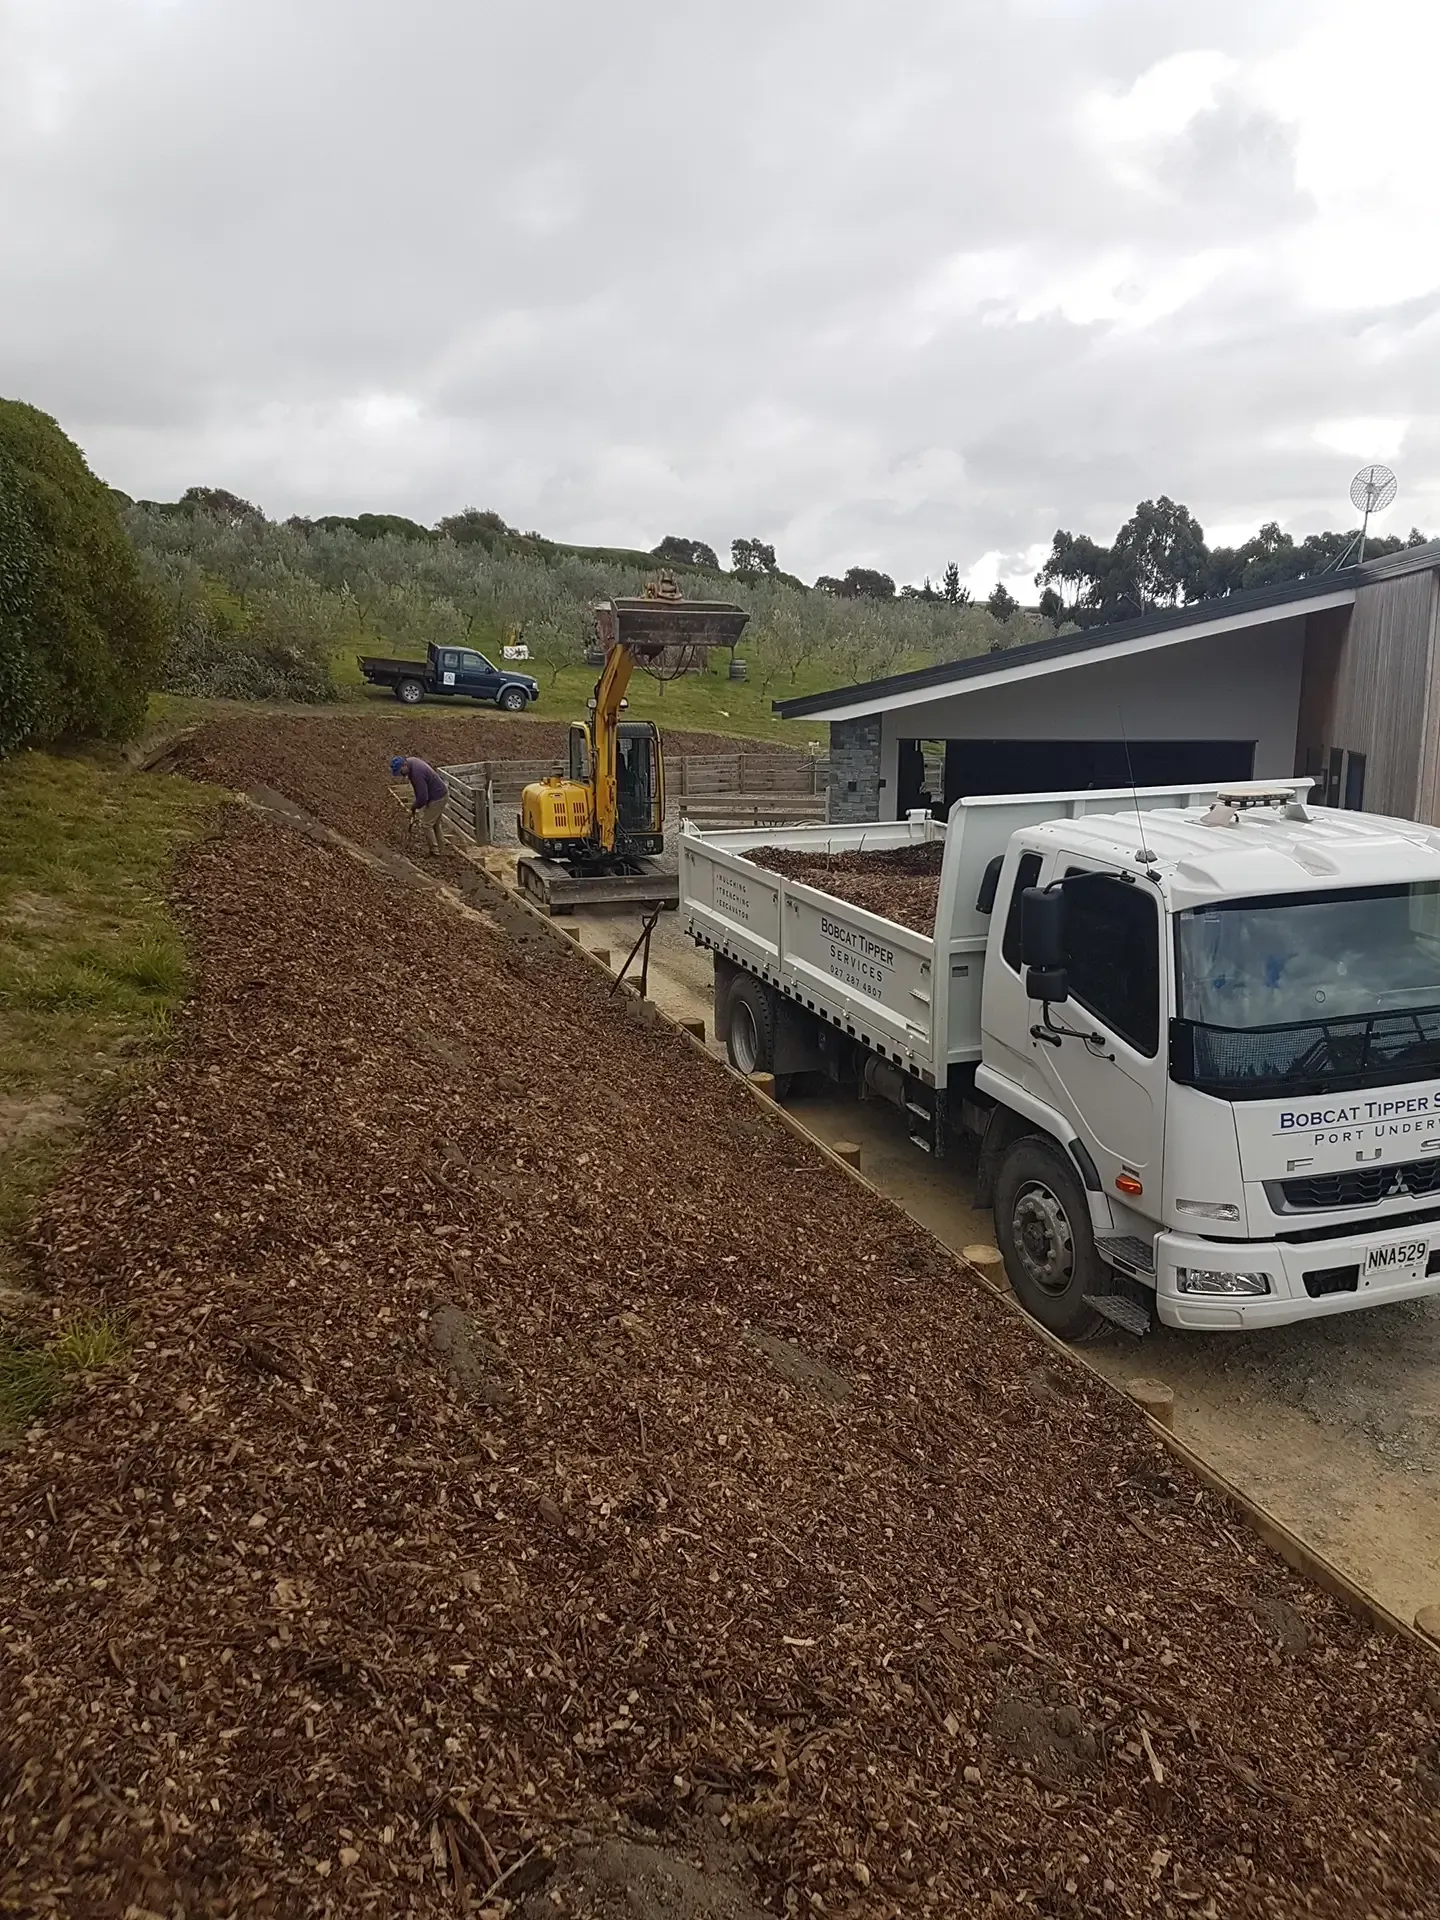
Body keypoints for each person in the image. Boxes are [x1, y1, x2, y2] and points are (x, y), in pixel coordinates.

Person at [391, 754, 448, 856]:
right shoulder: (411, 763)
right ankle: (441, 849)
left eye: (400, 772)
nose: (401, 775)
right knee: (434, 824)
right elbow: (419, 791)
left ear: (404, 765)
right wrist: (415, 808)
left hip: (438, 796)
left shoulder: (417, 773)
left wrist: (414, 807)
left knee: (426, 824)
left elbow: (423, 797)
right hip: (438, 793)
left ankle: (434, 851)